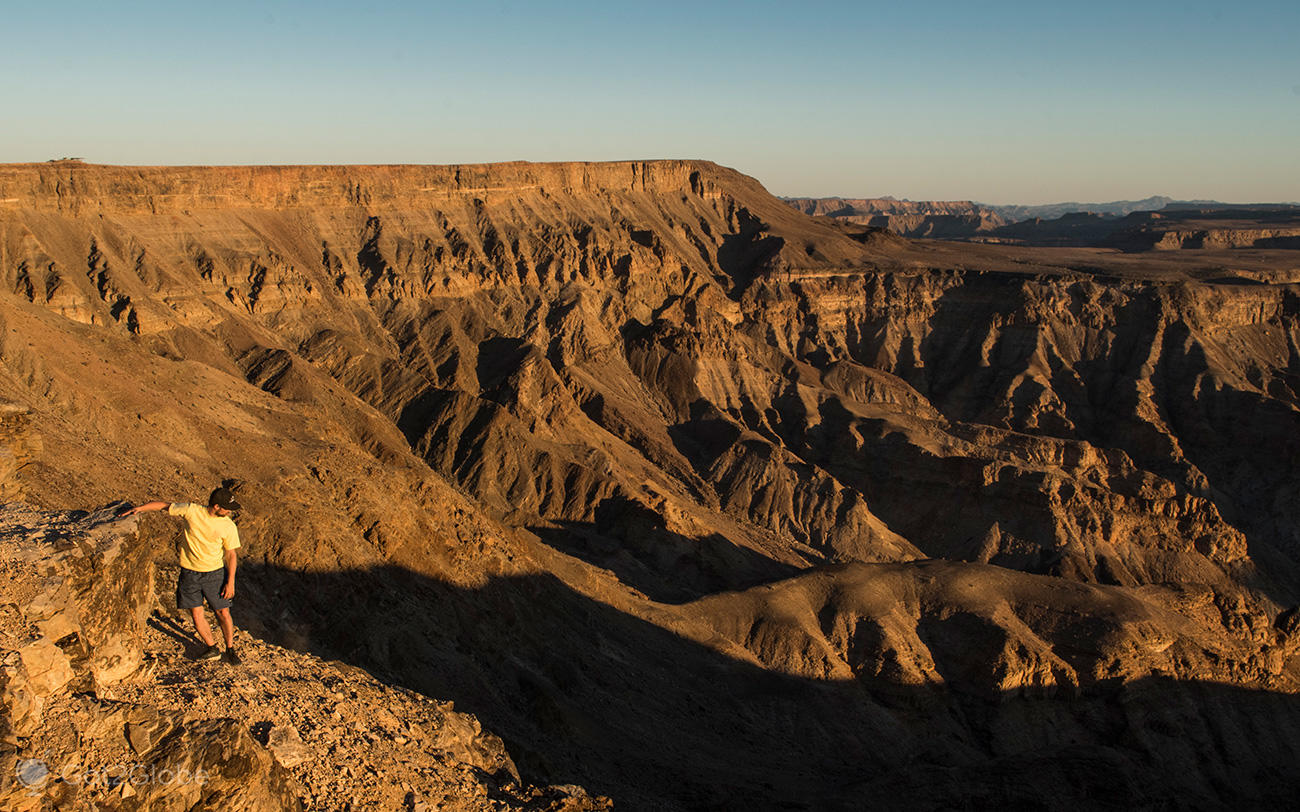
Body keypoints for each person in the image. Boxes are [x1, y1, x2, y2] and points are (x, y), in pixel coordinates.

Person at [120, 480, 244, 664]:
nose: (230, 512)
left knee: (223, 613)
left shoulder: (228, 526)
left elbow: (231, 555)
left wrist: (230, 581)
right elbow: (164, 506)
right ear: (216, 506)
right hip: (190, 573)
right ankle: (212, 647)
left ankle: (230, 648)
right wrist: (140, 509)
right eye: (227, 508)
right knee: (196, 614)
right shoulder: (192, 511)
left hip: (214, 574)